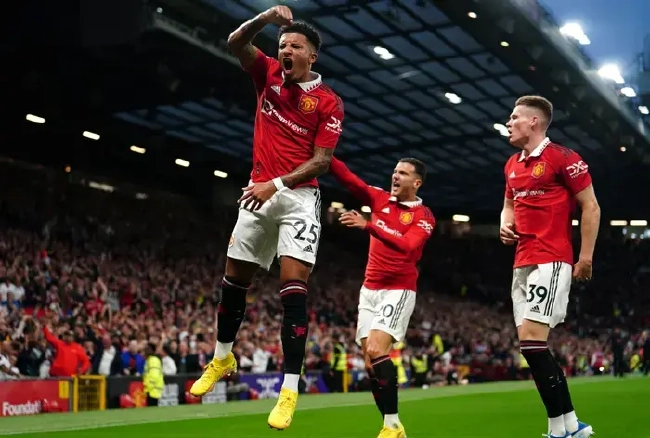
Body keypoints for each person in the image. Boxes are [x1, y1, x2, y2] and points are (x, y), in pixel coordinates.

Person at [189, 5, 344, 431]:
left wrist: (275, 185)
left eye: (295, 46)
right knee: (232, 281)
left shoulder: (328, 102)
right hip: (257, 192)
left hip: (297, 199)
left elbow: (322, 162)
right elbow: (235, 42)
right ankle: (222, 358)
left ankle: (289, 390)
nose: (285, 50)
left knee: (292, 292)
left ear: (312, 56)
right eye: (282, 44)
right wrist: (264, 18)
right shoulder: (268, 73)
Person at [500, 95, 600, 438]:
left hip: (551, 257)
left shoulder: (563, 157)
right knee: (531, 347)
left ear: (534, 122)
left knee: (531, 342)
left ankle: (558, 430)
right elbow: (508, 204)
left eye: (515, 117)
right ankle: (571, 425)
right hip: (521, 261)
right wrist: (505, 223)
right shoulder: (511, 164)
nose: (509, 122)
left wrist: (585, 257)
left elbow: (591, 206)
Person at [329, 156, 435, 438]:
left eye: (403, 173)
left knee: (377, 350)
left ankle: (392, 424)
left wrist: (369, 226)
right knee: (370, 364)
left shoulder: (424, 216)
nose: (395, 176)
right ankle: (392, 427)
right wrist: (324, 153)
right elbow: (349, 179)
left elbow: (408, 246)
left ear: (417, 183)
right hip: (369, 289)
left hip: (398, 289)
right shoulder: (379, 198)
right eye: (395, 171)